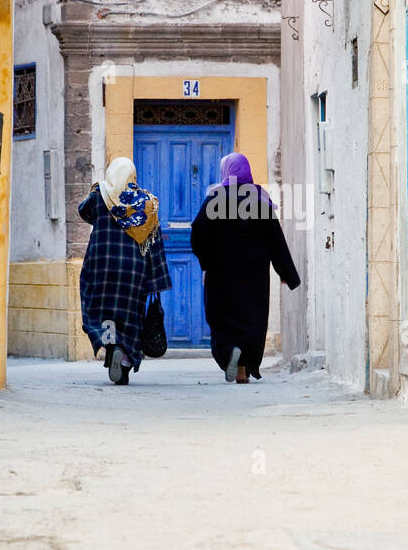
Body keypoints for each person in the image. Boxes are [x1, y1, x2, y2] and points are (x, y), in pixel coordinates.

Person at [190, 152, 300, 383]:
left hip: (221, 275)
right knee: (252, 320)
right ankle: (243, 367)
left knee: (221, 319)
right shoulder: (260, 199)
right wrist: (287, 274)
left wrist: (206, 260)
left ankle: (230, 353)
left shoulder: (215, 199)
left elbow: (198, 233)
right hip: (254, 277)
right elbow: (276, 240)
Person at [78, 157, 171, 385]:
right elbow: (153, 239)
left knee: (103, 311)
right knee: (130, 315)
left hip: (101, 266)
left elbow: (83, 212)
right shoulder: (147, 201)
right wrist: (155, 276)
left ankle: (112, 346)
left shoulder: (99, 196)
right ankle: (126, 357)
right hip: (133, 271)